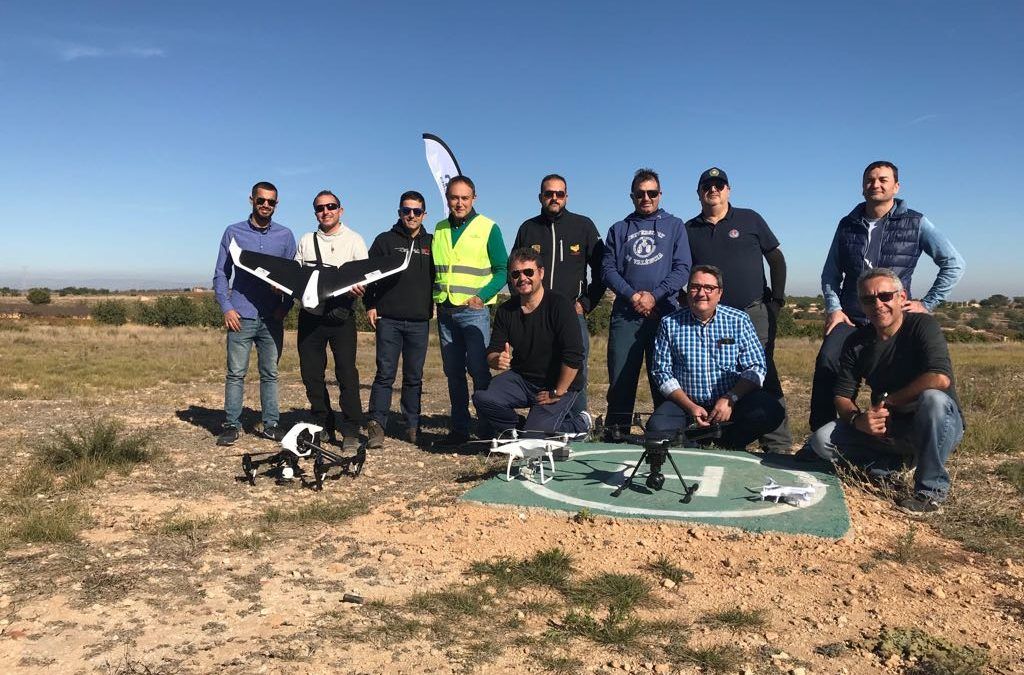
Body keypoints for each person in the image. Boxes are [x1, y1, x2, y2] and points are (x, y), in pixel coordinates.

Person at [810, 161, 965, 431]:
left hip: (894, 319)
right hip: (852, 316)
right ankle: (821, 440)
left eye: (883, 179)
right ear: (862, 187)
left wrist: (927, 304)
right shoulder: (847, 225)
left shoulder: (915, 222)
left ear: (896, 186)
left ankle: (909, 436)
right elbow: (830, 274)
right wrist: (834, 308)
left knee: (907, 375)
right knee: (828, 364)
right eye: (870, 180)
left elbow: (954, 263)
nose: (876, 184)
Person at [809, 268, 964, 516]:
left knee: (932, 399)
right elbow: (842, 395)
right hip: (888, 429)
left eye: (885, 296)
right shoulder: (857, 342)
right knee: (822, 440)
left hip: (935, 425)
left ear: (902, 297)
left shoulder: (922, 326)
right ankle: (888, 468)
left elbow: (940, 378)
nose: (878, 304)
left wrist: (889, 401)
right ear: (861, 304)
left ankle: (929, 493)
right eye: (869, 299)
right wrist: (857, 420)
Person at [684, 167, 793, 453]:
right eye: (707, 186)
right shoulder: (688, 229)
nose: (713, 190)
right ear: (699, 193)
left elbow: (777, 260)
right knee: (715, 373)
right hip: (712, 318)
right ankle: (722, 436)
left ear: (728, 190)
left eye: (719, 185)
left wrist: (777, 302)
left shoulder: (750, 218)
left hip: (752, 312)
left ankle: (778, 446)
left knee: (764, 373)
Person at [647, 265, 784, 449]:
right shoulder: (669, 323)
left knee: (771, 411)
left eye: (709, 288)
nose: (701, 293)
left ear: (719, 293)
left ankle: (728, 444)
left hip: (731, 403)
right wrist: (690, 406)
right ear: (688, 292)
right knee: (657, 428)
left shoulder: (739, 320)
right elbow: (661, 372)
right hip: (687, 405)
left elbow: (756, 366)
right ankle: (693, 446)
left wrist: (731, 398)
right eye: (695, 287)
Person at [601, 168, 691, 440]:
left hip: (664, 316)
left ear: (660, 194)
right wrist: (633, 296)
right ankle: (615, 437)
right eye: (640, 194)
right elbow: (607, 269)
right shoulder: (619, 229)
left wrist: (655, 295)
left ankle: (666, 436)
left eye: (652, 193)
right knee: (621, 381)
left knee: (663, 380)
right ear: (632, 196)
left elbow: (683, 267)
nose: (646, 198)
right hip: (627, 316)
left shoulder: (675, 226)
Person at [513, 174, 605, 417]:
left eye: (559, 193)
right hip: (536, 315)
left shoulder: (583, 226)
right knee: (538, 368)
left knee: (575, 369)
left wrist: (586, 303)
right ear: (540, 197)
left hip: (571, 315)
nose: (554, 198)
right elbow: (514, 270)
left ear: (566, 196)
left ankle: (577, 424)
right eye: (548, 193)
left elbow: (602, 270)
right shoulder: (528, 228)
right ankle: (544, 424)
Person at [212, 181, 296, 446]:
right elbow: (220, 274)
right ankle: (231, 425)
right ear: (252, 200)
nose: (266, 206)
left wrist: (286, 306)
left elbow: (294, 277)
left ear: (276, 204)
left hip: (272, 317)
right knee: (236, 373)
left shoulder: (285, 236)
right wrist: (227, 307)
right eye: (261, 200)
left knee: (270, 373)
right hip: (241, 315)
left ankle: (271, 425)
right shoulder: (233, 232)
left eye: (271, 202)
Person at [473, 248, 589, 435]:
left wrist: (558, 391)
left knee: (537, 434)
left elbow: (574, 356)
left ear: (541, 273)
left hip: (557, 383)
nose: (522, 278)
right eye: (516, 274)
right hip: (523, 379)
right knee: (483, 397)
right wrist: (496, 359)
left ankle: (579, 425)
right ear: (511, 278)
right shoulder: (506, 311)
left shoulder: (559, 305)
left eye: (529, 272)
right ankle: (519, 430)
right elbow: (493, 350)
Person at [432, 175, 508, 445]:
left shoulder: (488, 227)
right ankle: (460, 429)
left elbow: (503, 271)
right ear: (448, 199)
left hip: (474, 312)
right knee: (453, 373)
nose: (459, 203)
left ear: (474, 198)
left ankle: (487, 429)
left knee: (479, 370)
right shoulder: (439, 228)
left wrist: (482, 296)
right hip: (446, 310)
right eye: (454, 197)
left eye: (465, 198)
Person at [294, 190, 367, 451]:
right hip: (311, 315)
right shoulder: (305, 240)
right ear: (315, 212)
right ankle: (322, 423)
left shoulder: (354, 240)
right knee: (311, 374)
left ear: (340, 210)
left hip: (342, 316)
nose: (326, 211)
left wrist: (360, 289)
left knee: (346, 373)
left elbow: (365, 276)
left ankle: (351, 428)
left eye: (331, 206)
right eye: (320, 208)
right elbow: (295, 275)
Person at [364, 191, 435, 447]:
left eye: (417, 211)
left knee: (414, 377)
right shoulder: (384, 241)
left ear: (424, 214)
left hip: (419, 321)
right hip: (389, 320)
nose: (411, 216)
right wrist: (370, 304)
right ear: (399, 213)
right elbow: (368, 275)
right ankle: (377, 426)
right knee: (385, 374)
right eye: (407, 211)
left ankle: (412, 425)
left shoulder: (433, 243)